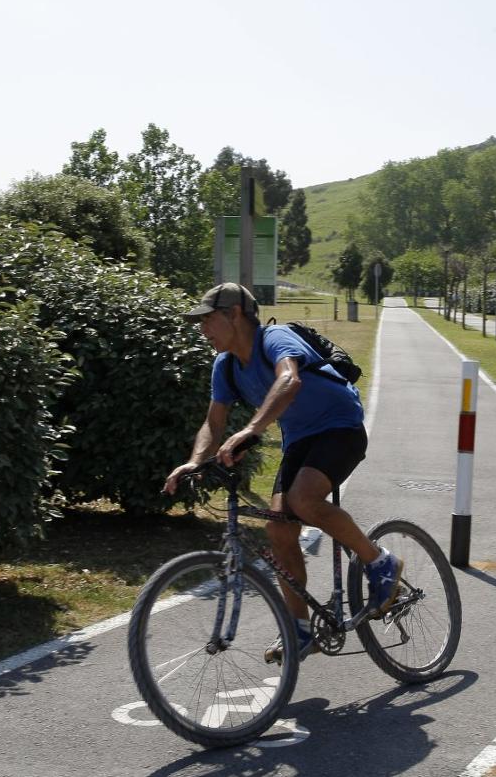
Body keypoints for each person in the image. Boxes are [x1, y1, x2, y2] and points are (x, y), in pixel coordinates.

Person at [163, 282, 402, 663]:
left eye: (207, 320)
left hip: (341, 426)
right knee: (278, 529)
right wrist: (194, 461)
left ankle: (379, 562)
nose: (202, 329)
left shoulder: (275, 338)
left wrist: (250, 430)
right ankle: (299, 629)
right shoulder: (225, 366)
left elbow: (289, 380)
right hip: (300, 440)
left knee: (303, 500)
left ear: (234, 314)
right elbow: (214, 422)